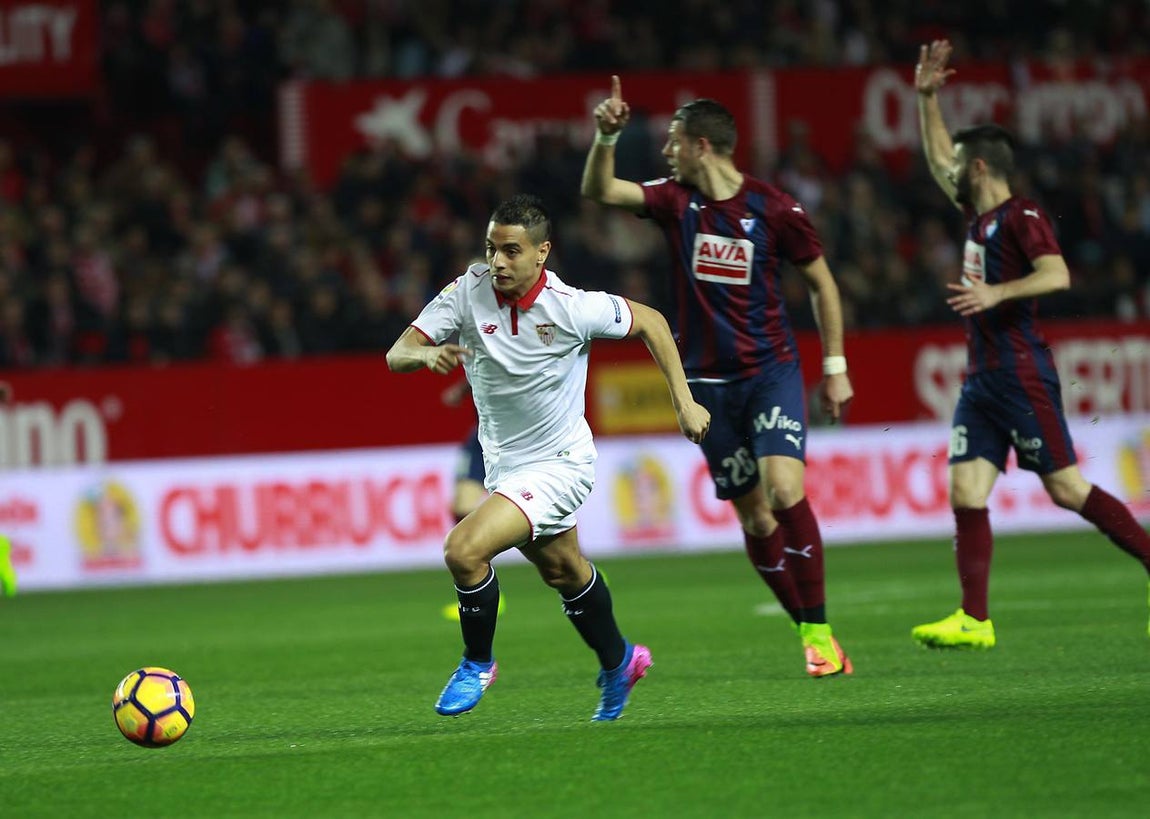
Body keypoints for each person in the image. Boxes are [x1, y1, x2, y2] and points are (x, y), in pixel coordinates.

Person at [386, 194, 711, 720]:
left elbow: (651, 321)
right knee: (564, 570)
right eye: (492, 248)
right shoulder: (466, 293)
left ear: (542, 253)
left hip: (561, 463)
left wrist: (684, 402)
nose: (498, 262)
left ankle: (477, 663)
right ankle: (620, 660)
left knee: (463, 550)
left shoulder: (572, 307)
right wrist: (424, 353)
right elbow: (396, 353)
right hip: (506, 467)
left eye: (512, 251)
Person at [581, 77, 855, 677]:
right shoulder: (676, 202)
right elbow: (599, 188)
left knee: (785, 491)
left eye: (674, 142)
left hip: (770, 372)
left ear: (704, 146)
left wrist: (834, 368)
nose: (666, 152)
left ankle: (818, 631)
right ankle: (811, 632)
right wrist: (605, 136)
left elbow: (823, 285)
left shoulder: (776, 209)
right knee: (755, 518)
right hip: (707, 387)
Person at [911, 39, 1150, 647]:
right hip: (981, 379)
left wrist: (997, 294)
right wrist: (926, 98)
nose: (952, 170)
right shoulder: (977, 217)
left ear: (982, 167)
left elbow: (1057, 274)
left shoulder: (1022, 217)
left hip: (1019, 370)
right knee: (965, 489)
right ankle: (975, 619)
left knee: (1065, 488)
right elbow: (940, 158)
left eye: (962, 164)